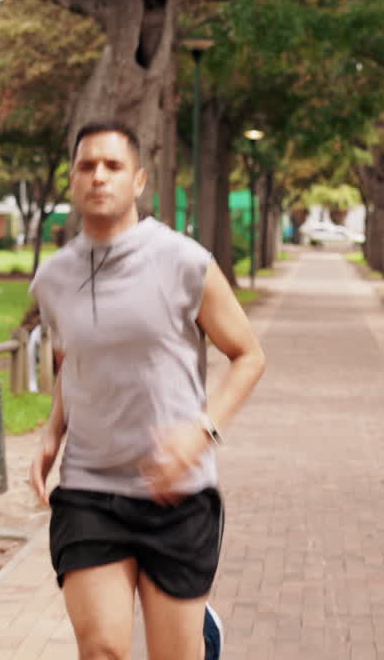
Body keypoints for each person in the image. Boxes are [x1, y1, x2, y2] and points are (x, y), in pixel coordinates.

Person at [28, 120, 265, 660]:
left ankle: (200, 632)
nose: (99, 177)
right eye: (87, 166)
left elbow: (249, 355)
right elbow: (72, 363)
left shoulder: (184, 262)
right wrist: (52, 430)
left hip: (176, 496)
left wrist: (201, 432)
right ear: (72, 179)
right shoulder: (54, 279)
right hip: (89, 489)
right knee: (103, 650)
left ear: (137, 181)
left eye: (112, 166)